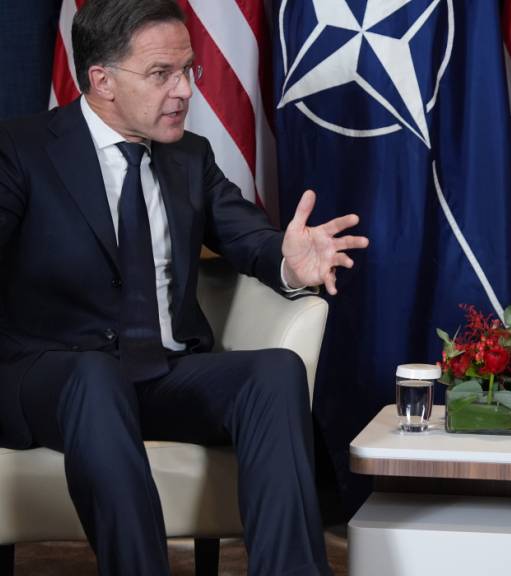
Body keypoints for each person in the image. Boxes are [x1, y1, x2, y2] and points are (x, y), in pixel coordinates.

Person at [0, 0, 369, 574]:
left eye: (188, 70)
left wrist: (290, 263)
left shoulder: (189, 157)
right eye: (160, 74)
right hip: (53, 378)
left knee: (274, 370)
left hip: (160, 374)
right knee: (95, 377)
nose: (184, 91)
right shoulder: (21, 151)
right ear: (102, 81)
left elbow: (250, 238)